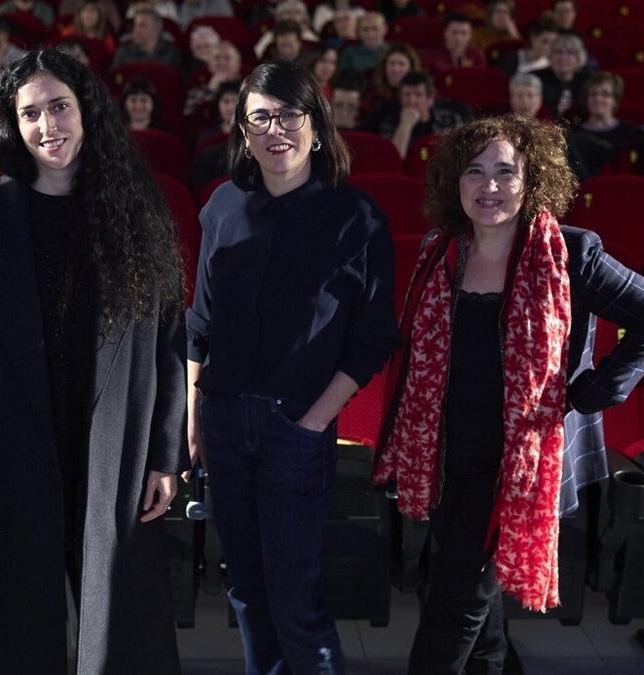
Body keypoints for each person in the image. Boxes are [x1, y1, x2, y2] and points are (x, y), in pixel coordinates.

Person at [372, 114, 644, 673]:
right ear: (454, 182)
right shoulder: (439, 250)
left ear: (531, 179)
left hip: (517, 463)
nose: (489, 185)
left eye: (505, 171)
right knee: (476, 607)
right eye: (474, 171)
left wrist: (594, 390)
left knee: (456, 603)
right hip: (444, 456)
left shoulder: (571, 253)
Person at [0, 47, 186, 675]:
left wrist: (163, 454)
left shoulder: (136, 207)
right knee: (17, 613)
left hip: (114, 444)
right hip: (10, 446)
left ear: (86, 111)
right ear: (12, 125)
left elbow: (167, 343)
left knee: (121, 613)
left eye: (60, 107)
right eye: (31, 114)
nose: (48, 125)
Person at [186, 60, 400, 675]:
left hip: (295, 430)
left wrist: (311, 424)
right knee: (247, 594)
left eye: (288, 115)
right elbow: (199, 326)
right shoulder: (222, 206)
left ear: (315, 123)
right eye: (260, 117)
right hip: (223, 423)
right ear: (242, 129)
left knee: (295, 601)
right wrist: (194, 421)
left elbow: (372, 340)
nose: (275, 129)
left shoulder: (355, 217)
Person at [371, 71, 471, 158]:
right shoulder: (389, 123)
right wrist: (405, 126)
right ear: (400, 99)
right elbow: (393, 159)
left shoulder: (450, 119)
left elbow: (461, 156)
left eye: (418, 94)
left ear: (430, 100)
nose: (412, 100)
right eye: (407, 94)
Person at [576, 71, 638, 162]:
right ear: (586, 100)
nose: (598, 98)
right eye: (593, 94)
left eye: (605, 94)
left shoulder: (631, 132)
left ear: (615, 101)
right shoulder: (575, 134)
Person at [533, 33, 590, 120]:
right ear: (550, 56)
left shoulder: (588, 81)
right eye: (558, 52)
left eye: (570, 53)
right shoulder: (536, 79)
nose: (563, 57)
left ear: (579, 58)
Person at [184, 39, 241, 118]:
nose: (222, 63)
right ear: (209, 65)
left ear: (238, 64)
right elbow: (188, 113)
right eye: (217, 58)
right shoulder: (198, 84)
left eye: (227, 58)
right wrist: (209, 90)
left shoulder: (249, 86)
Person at [111, 7, 183, 70]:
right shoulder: (124, 53)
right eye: (134, 25)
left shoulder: (171, 53)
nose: (136, 30)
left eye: (143, 25)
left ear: (158, 28)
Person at [253, 0, 319, 59]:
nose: (292, 16)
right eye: (288, 12)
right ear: (279, 16)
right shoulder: (270, 35)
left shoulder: (310, 35)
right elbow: (258, 54)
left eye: (297, 12)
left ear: (304, 17)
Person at [337, 10, 387, 76]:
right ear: (359, 32)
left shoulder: (394, 51)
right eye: (365, 29)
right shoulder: (349, 53)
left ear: (384, 29)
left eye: (375, 29)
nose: (370, 34)